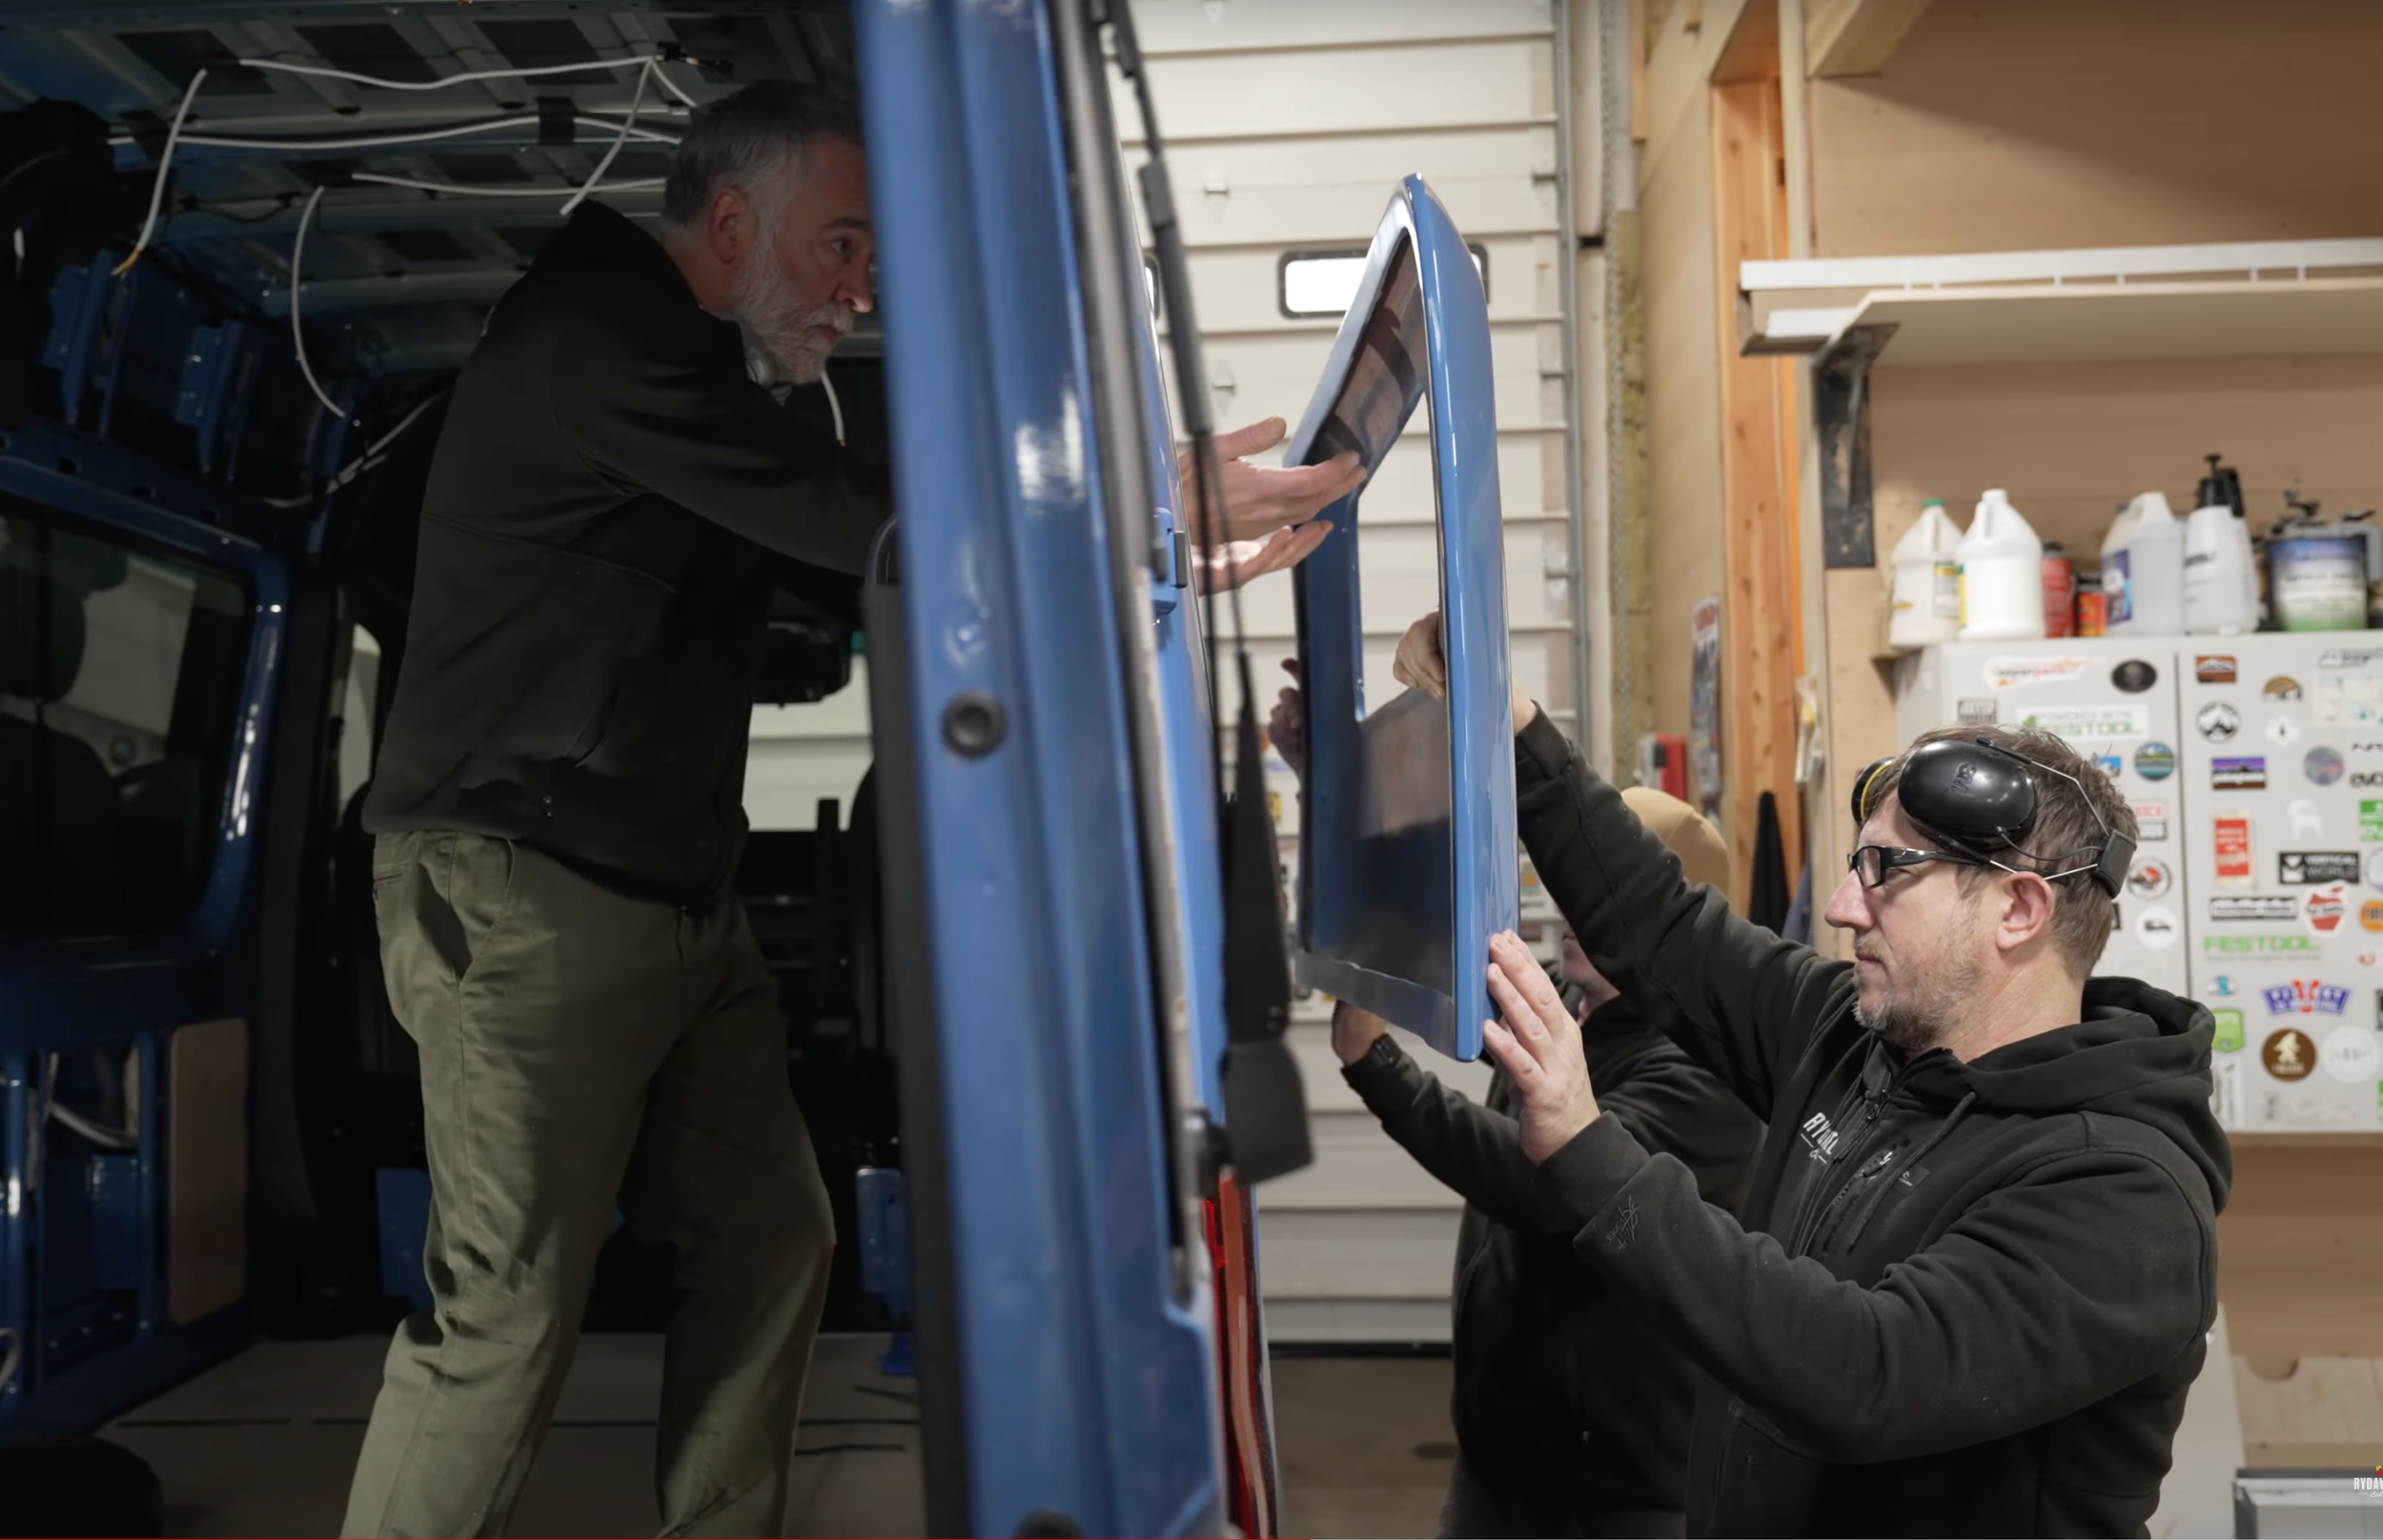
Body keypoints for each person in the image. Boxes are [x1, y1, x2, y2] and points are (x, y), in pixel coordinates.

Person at [347, 79, 1360, 1538]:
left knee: (773, 1243)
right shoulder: (600, 333)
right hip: (521, 891)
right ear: (736, 220)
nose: (863, 286)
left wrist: (1152, 568)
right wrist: (1132, 500)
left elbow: (881, 585)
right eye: (842, 245)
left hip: (672, 894)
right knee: (500, 1317)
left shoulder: (706, 379)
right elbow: (860, 521)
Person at [1388, 611, 2230, 1538]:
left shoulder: (2121, 1190)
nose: (1839, 905)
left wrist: (1590, 1150)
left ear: (2019, 908)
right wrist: (1516, 732)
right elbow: (1660, 925)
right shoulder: (1856, 1038)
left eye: (1884, 870)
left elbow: (1861, 1372)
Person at [1269, 673, 1760, 1536]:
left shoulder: (1702, 1073)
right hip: (1506, 1465)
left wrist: (1377, 1066)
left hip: (1617, 1501)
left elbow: (1549, 1179)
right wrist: (1329, 780)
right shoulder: (1576, 1016)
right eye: (1575, 888)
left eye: (1609, 899)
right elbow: (1419, 890)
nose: (1576, 911)